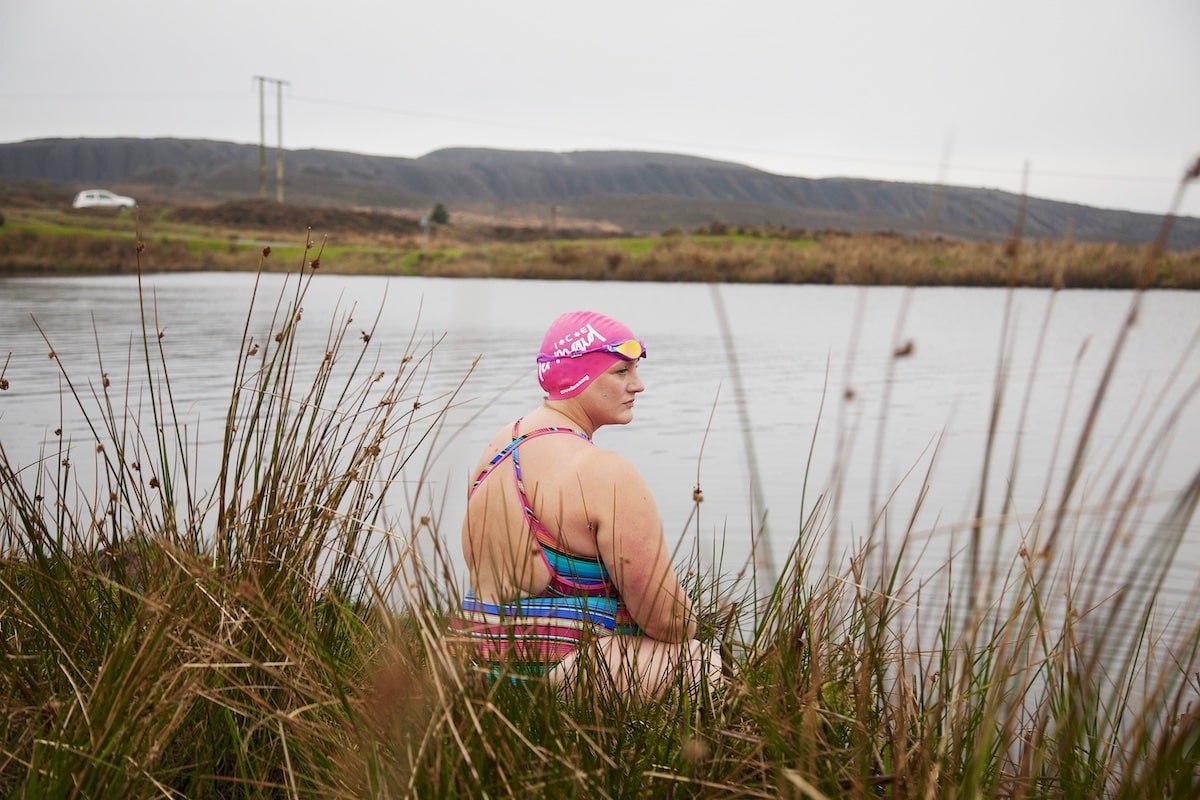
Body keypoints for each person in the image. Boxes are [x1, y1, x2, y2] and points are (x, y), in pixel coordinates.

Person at [451, 310, 721, 700]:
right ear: (581, 376)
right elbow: (666, 621)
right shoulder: (604, 472)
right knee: (700, 664)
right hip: (558, 675)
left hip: (474, 664)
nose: (638, 385)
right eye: (621, 372)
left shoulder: (497, 450)